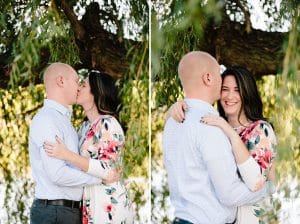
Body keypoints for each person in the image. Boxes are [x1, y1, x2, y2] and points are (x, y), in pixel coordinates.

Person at [162, 51, 272, 224]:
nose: (228, 95)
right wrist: (268, 187)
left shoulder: (173, 122)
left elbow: (253, 180)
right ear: (208, 78)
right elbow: (230, 195)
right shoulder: (209, 125)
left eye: (237, 90)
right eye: (224, 87)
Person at [29, 63, 116, 224]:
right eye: (77, 81)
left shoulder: (65, 122)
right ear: (61, 81)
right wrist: (99, 179)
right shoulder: (47, 120)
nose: (78, 87)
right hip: (55, 213)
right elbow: (58, 174)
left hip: (66, 212)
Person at [43, 70, 134, 224]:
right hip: (89, 204)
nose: (77, 88)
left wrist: (66, 154)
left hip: (108, 205)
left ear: (96, 92)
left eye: (83, 85)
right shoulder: (84, 127)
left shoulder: (108, 123)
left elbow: (108, 170)